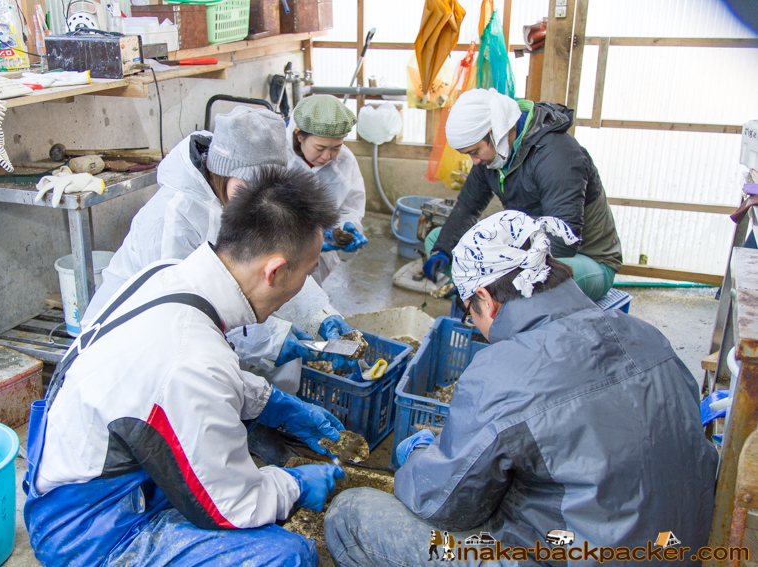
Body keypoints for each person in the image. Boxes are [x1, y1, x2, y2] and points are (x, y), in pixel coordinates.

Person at [326, 210, 717, 567]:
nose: (474, 324)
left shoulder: (503, 371)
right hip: (677, 551)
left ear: (485, 298)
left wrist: (421, 456)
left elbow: (441, 504)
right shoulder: (649, 336)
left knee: (351, 513)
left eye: (469, 312)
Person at [24, 166, 346, 567]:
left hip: (108, 472)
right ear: (275, 271)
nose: (303, 288)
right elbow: (232, 507)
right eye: (307, 273)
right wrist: (294, 485)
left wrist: (275, 404)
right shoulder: (190, 358)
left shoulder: (168, 277)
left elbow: (201, 377)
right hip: (89, 528)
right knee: (286, 555)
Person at [81, 106, 356, 394]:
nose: (259, 200)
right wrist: (270, 340)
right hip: (130, 355)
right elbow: (179, 324)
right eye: (250, 187)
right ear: (224, 173)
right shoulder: (174, 220)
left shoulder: (248, 200)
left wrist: (317, 314)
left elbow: (284, 265)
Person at [422, 88, 623, 301]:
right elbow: (467, 208)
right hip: (527, 246)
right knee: (439, 240)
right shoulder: (496, 154)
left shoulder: (557, 154)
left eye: (475, 152)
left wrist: (494, 275)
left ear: (494, 132)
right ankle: (477, 299)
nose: (475, 161)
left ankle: (486, 298)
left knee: (534, 281)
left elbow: (562, 242)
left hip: (580, 258)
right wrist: (442, 250)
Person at [287, 95, 368, 282]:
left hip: (318, 260)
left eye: (336, 147)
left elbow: (351, 206)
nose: (327, 156)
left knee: (311, 294)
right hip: (278, 254)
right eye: (320, 148)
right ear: (299, 135)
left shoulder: (345, 161)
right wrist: (304, 242)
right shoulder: (278, 156)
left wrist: (347, 227)